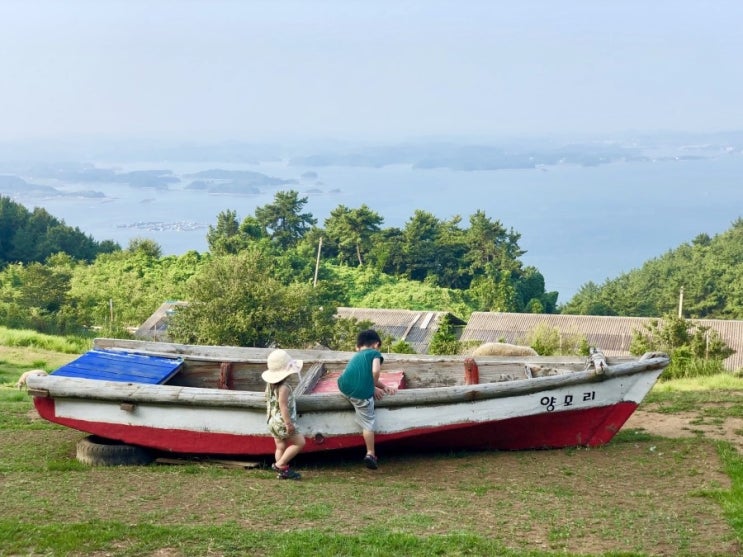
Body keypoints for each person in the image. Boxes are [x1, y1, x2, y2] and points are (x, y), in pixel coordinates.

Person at [337, 329, 397, 469]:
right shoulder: (375, 353)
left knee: (362, 397)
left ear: (359, 345)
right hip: (361, 394)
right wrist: (372, 388)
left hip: (343, 387)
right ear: (376, 344)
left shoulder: (357, 355)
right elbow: (375, 371)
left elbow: (363, 376)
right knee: (368, 423)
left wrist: (381, 386)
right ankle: (370, 453)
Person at [262, 349, 306, 480]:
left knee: (280, 446)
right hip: (282, 421)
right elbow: (283, 406)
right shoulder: (284, 387)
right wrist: (288, 423)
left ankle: (283, 472)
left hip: (271, 420)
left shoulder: (269, 385)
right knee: (300, 442)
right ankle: (280, 465)